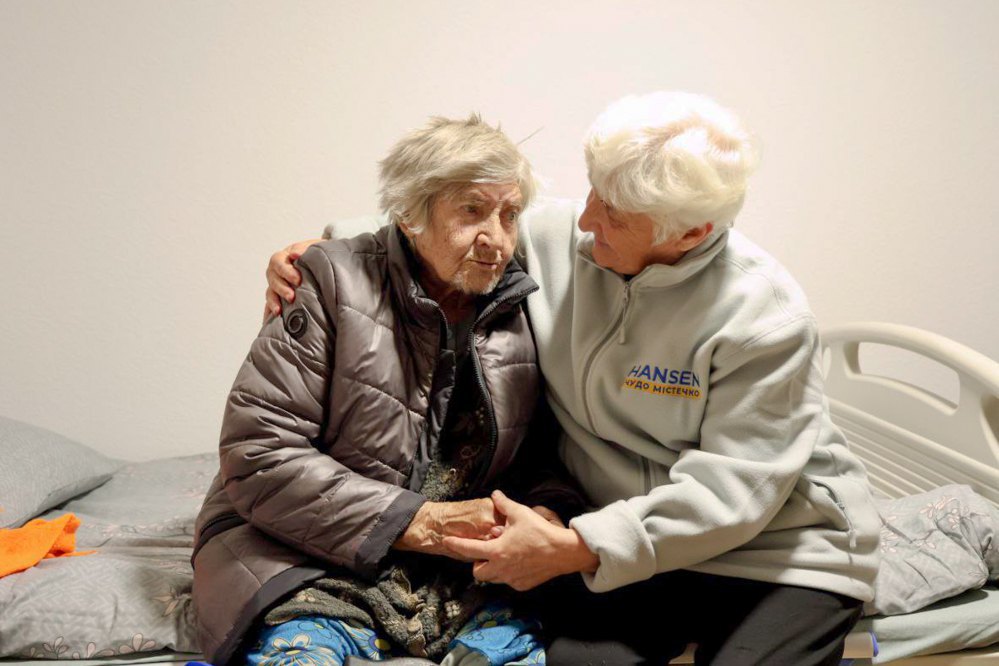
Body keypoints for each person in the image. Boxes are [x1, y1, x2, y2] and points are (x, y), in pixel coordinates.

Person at [266, 91, 882, 665]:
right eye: (594, 193)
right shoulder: (560, 239)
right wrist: (325, 255)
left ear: (690, 233)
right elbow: (432, 221)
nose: (585, 219)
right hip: (625, 541)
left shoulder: (764, 317)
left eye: (613, 214)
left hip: (777, 552)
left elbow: (732, 495)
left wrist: (579, 547)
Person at [193, 114, 584, 666]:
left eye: (509, 215)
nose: (496, 239)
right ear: (409, 215)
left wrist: (547, 512)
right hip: (307, 548)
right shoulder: (328, 282)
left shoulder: (521, 306)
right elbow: (259, 456)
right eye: (471, 211)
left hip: (456, 571)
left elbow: (541, 453)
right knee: (300, 650)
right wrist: (425, 523)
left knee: (521, 640)